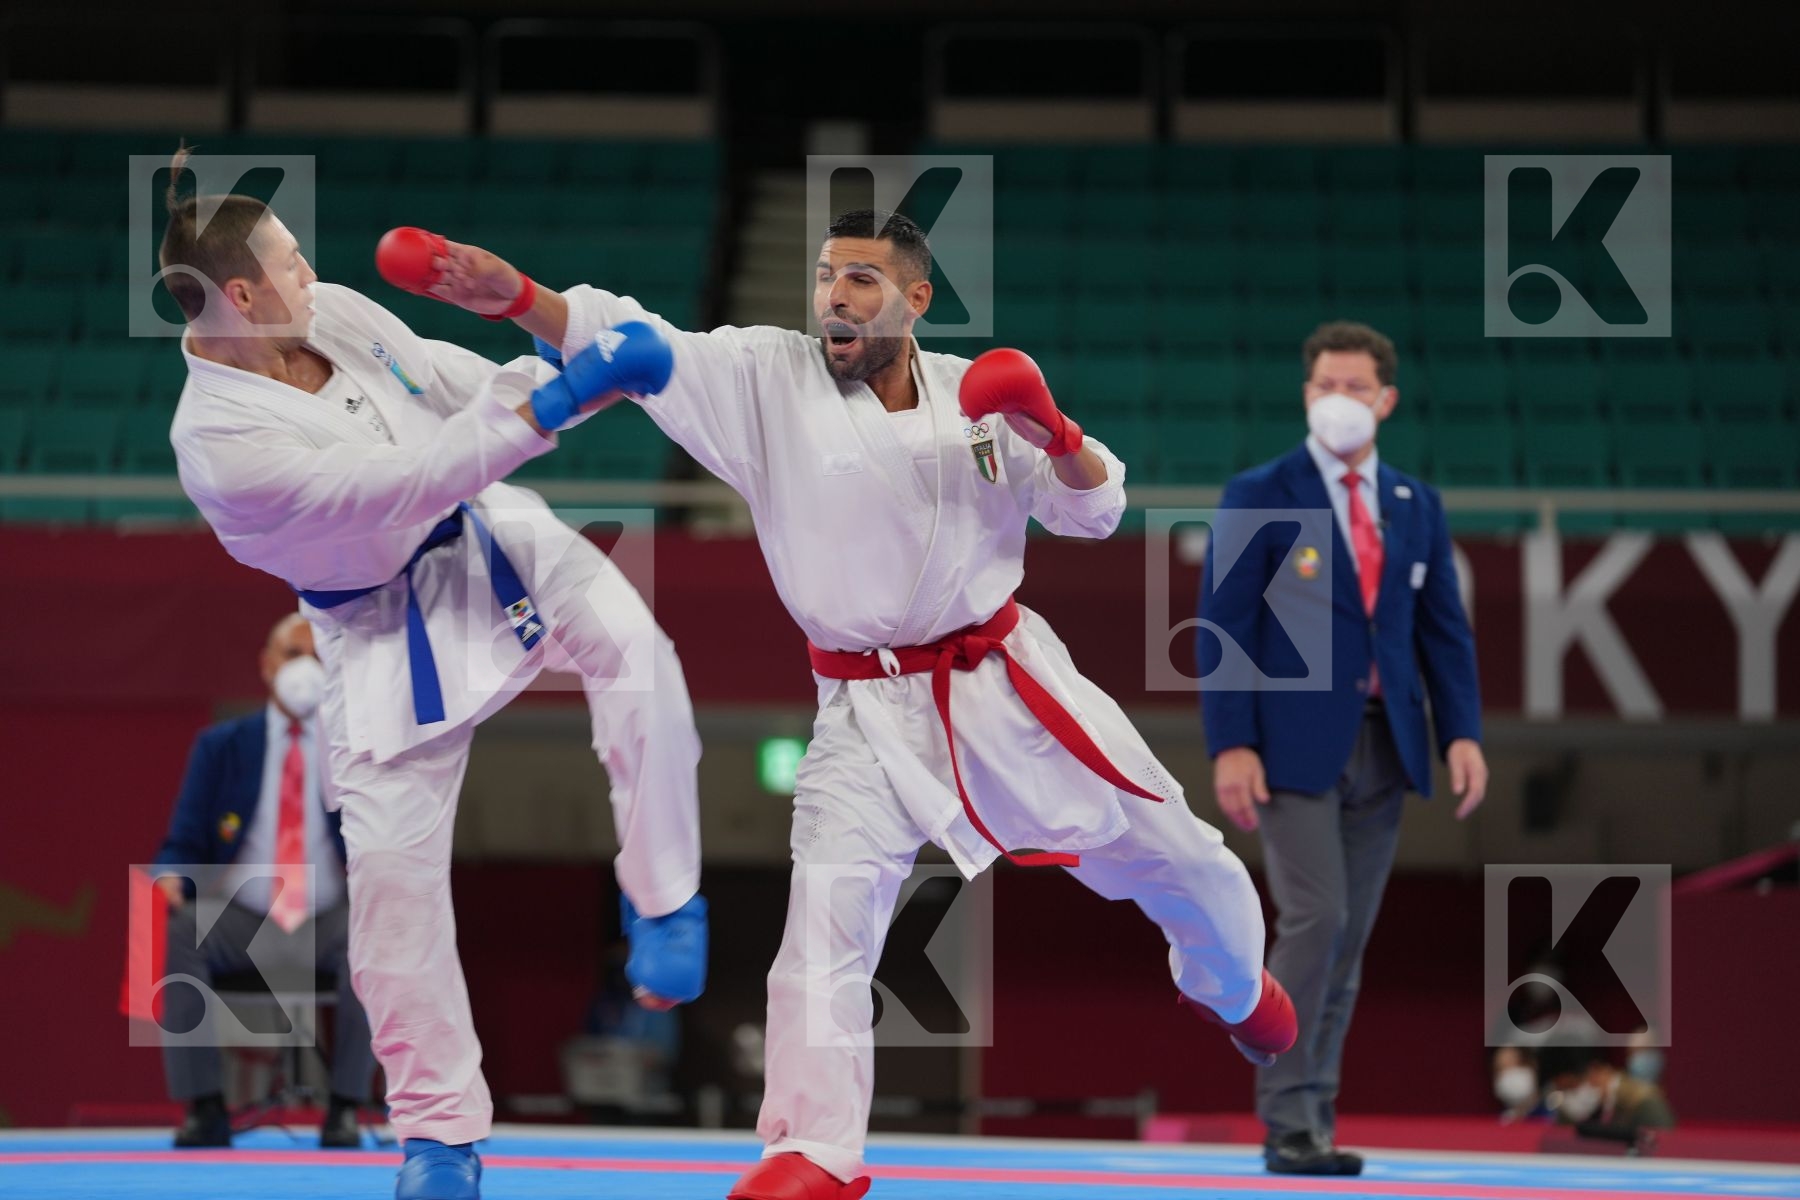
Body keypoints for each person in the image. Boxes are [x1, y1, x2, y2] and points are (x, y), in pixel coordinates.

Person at [409, 208, 1294, 1200]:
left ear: (915, 300)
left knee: (1181, 857)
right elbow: (638, 339)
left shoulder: (979, 393)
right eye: (827, 275)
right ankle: (811, 1151)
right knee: (824, 920)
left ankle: (1230, 984)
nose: (835, 293)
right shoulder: (764, 380)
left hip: (1008, 687)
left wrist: (1055, 428)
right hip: (858, 709)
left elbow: (1096, 511)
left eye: (863, 279)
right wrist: (525, 300)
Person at [159, 152, 708, 1200]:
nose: (310, 271)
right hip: (374, 629)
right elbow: (405, 482)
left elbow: (439, 385)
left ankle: (666, 901)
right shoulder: (219, 443)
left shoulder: (328, 312)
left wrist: (571, 384)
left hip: (490, 543)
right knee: (395, 896)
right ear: (241, 295)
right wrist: (564, 401)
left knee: (640, 655)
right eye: (289, 260)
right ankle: (439, 1139)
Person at [1201, 320, 1488, 1176]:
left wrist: (1463, 730)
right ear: (1306, 395)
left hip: (1389, 742)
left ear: (1386, 401)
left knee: (1350, 936)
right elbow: (1223, 625)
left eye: (1355, 388)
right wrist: (1231, 744)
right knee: (1316, 918)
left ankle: (1314, 1117)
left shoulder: (1415, 505)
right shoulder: (1260, 491)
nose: (1339, 400)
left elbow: (1445, 632)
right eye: (1324, 385)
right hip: (1290, 746)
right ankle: (1286, 1114)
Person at [151, 614, 374, 1150]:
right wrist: (169, 878)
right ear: (267, 664)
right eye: (293, 654)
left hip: (326, 918)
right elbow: (181, 843)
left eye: (317, 656)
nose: (305, 668)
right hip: (245, 918)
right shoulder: (222, 747)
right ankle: (205, 1108)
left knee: (374, 937)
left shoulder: (354, 747)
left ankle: (344, 1107)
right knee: (183, 929)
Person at [1541, 1047, 1676, 1139]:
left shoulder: (1644, 1103)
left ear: (1596, 1070)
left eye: (1572, 1087)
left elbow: (1665, 1150)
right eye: (1563, 1090)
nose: (1569, 1096)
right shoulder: (1579, 1111)